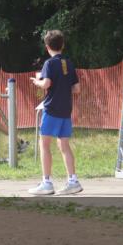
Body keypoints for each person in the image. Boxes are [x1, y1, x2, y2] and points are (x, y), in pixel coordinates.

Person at [28, 30, 82, 196]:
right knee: (64, 145)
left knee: (44, 144)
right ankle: (73, 181)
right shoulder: (69, 63)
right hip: (66, 109)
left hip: (51, 108)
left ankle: (46, 182)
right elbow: (77, 88)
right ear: (63, 45)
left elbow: (46, 84)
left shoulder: (49, 63)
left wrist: (37, 81)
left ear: (47, 47)